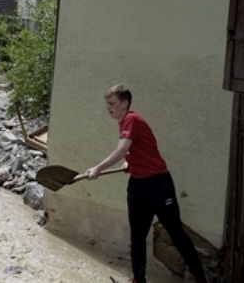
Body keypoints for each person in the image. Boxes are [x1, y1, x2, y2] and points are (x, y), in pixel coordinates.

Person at [84, 85, 207, 283]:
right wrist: (130, 162)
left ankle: (200, 277)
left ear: (125, 103)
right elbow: (134, 149)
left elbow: (122, 149)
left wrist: (98, 168)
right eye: (107, 104)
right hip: (138, 185)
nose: (108, 108)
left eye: (112, 103)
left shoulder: (132, 119)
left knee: (175, 231)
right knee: (138, 235)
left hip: (158, 184)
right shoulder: (124, 122)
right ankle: (138, 279)